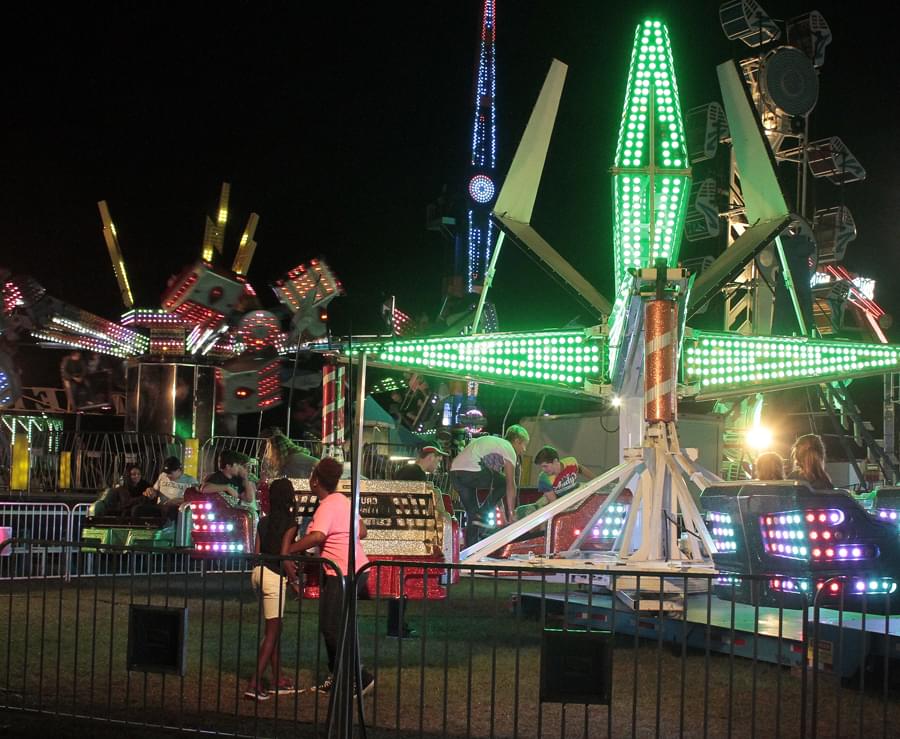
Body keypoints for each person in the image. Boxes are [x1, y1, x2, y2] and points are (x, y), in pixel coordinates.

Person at [285, 458, 374, 697]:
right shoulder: (343, 501)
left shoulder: (326, 505)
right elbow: (362, 531)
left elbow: (317, 536)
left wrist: (290, 549)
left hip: (342, 572)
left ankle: (359, 677)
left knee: (332, 628)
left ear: (315, 480)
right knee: (336, 627)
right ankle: (338, 677)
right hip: (355, 569)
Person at [244, 478, 300, 701]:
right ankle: (255, 683)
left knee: (274, 628)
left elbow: (256, 551)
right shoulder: (290, 522)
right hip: (274, 576)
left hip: (257, 573)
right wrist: (296, 581)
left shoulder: (263, 522)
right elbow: (286, 558)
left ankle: (277, 678)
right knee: (272, 632)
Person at [449, 425, 530, 546]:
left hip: (455, 473)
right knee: (505, 482)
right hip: (471, 470)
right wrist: (511, 513)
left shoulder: (494, 446)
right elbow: (510, 485)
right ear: (517, 441)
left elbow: (495, 488)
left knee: (473, 516)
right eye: (524, 445)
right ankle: (482, 514)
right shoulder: (509, 449)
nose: (524, 450)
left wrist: (502, 511)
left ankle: (471, 552)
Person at [515, 445, 596, 519]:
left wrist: (596, 479)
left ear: (555, 461)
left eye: (545, 466)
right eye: (541, 467)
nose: (543, 470)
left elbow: (581, 469)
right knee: (542, 507)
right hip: (555, 500)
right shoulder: (543, 479)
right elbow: (554, 503)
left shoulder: (571, 461)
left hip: (573, 492)